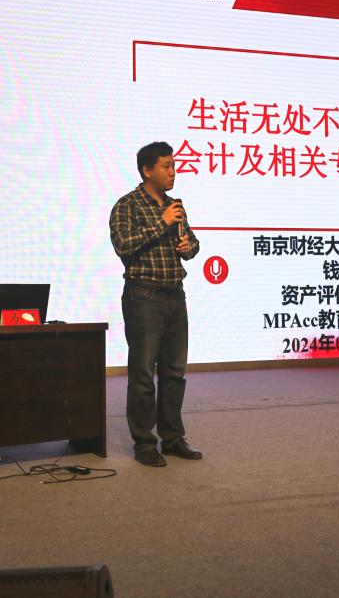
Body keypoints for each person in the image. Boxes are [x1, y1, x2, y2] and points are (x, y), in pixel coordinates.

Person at [110, 141, 203, 467]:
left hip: (175, 295)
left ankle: (173, 439)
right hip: (143, 297)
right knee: (143, 374)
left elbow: (194, 246)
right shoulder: (128, 205)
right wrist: (161, 223)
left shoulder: (175, 206)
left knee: (174, 372)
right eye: (166, 166)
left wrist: (187, 245)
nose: (173, 172)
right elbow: (124, 245)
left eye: (174, 165)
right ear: (147, 170)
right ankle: (144, 444)